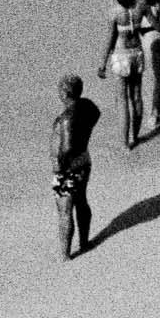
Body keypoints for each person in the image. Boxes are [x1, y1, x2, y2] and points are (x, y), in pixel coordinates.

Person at [52, 75, 99, 255]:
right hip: (84, 160)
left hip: (68, 167)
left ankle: (65, 254)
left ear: (65, 93)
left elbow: (66, 147)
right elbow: (97, 113)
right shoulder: (87, 106)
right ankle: (85, 243)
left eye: (60, 90)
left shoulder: (66, 118)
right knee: (81, 201)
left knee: (65, 210)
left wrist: (59, 167)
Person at [100, 0, 148, 148]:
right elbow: (154, 24)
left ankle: (124, 143)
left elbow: (110, 39)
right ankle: (135, 136)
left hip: (121, 56)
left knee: (122, 100)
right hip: (137, 53)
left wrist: (102, 63)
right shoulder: (141, 6)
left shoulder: (115, 11)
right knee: (136, 96)